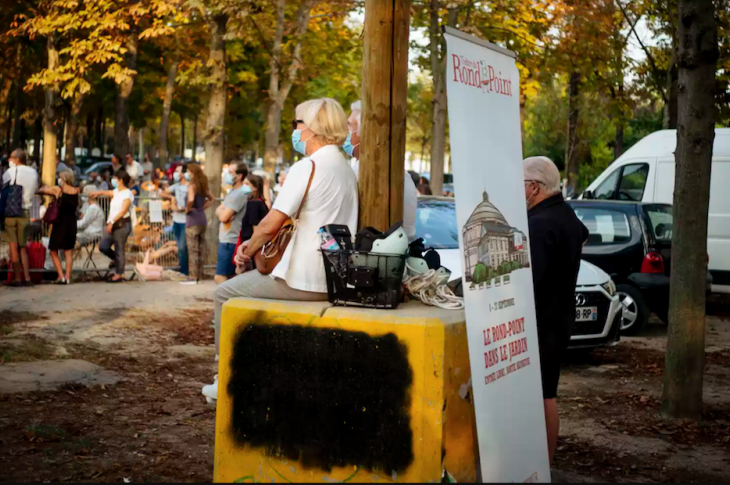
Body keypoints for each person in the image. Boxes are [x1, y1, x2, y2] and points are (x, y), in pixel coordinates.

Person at [203, 97, 358, 402]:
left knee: (223, 294)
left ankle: (225, 380)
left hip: (303, 278)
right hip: (336, 278)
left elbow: (271, 223)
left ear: (312, 128)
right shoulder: (344, 167)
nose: (295, 130)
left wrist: (247, 249)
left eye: (296, 124)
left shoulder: (308, 166)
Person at [523, 156, 588, 464]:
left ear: (533, 188)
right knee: (548, 393)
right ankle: (545, 462)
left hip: (537, 324)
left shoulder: (539, 224)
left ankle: (537, 462)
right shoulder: (566, 215)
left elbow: (528, 280)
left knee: (539, 397)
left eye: (518, 184)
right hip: (557, 322)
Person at [344, 100, 418, 241]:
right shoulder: (402, 174)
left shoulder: (368, 172)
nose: (346, 133)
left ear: (364, 132)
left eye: (350, 126)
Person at [2, 149, 39, 287]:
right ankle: (27, 278)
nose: (9, 160)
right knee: (23, 247)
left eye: (11, 158)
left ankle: (17, 278)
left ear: (17, 159)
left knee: (13, 246)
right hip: (25, 212)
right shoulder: (33, 172)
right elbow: (35, 189)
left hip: (10, 213)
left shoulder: (9, 173)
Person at [90, 169, 135, 283]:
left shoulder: (127, 193)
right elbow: (109, 192)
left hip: (121, 224)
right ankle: (118, 262)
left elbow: (123, 210)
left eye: (115, 178)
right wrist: (98, 193)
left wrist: (112, 222)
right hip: (113, 225)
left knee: (119, 248)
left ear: (120, 180)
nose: (113, 180)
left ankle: (120, 273)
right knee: (103, 246)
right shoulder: (117, 192)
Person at [37, 170, 80, 284]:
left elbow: (42, 191)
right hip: (72, 223)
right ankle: (68, 277)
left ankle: (60, 276)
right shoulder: (76, 191)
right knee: (68, 251)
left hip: (60, 223)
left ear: (64, 178)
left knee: (53, 250)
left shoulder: (58, 190)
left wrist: (45, 187)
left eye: (60, 177)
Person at [214, 163, 249, 283]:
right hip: (225, 238)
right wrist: (222, 212)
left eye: (230, 172)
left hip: (231, 240)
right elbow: (219, 211)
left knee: (220, 277)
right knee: (228, 277)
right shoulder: (232, 192)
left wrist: (222, 213)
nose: (227, 175)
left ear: (239, 176)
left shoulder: (240, 194)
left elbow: (224, 216)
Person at [184, 162, 214, 284]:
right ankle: (200, 274)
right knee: (201, 248)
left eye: (188, 171)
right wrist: (202, 207)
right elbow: (212, 198)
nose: (187, 173)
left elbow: (191, 199)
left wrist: (188, 208)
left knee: (192, 249)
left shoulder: (192, 186)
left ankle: (192, 276)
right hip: (202, 218)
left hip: (192, 220)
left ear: (192, 173)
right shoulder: (203, 186)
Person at [233, 173, 269, 270]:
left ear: (255, 188)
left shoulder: (254, 204)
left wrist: (250, 250)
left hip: (250, 248)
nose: (244, 186)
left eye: (247, 184)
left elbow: (256, 229)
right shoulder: (259, 203)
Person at [160, 164, 190, 277]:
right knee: (179, 246)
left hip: (185, 221)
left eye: (177, 171)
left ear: (183, 174)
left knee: (182, 247)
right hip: (176, 221)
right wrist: (172, 198)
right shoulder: (176, 186)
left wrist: (183, 208)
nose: (175, 173)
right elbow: (162, 193)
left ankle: (185, 271)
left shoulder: (190, 187)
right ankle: (182, 268)